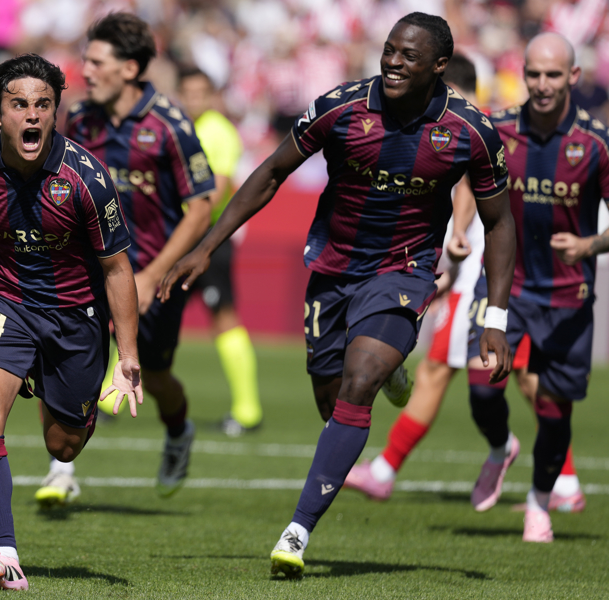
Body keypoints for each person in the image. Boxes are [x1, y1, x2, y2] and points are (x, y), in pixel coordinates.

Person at [160, 12, 515, 577]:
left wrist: (495, 316)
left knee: (359, 381)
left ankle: (296, 531)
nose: (393, 61)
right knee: (332, 401)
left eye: (409, 55)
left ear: (439, 66)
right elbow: (272, 172)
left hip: (404, 271)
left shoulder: (470, 130)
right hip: (333, 269)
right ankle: (389, 371)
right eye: (389, 49)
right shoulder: (341, 107)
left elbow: (499, 223)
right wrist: (207, 246)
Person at [0, 54, 144, 590]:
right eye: (19, 104)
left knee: (62, 446)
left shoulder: (86, 179)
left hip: (74, 318)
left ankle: (46, 380)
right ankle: (5, 555)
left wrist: (128, 355)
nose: (32, 114)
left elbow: (117, 269)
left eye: (43, 104)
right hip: (4, 304)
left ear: (55, 112)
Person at [343, 54, 587, 512]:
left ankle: (390, 469)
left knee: (445, 368)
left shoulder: (470, 127)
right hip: (494, 270)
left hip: (484, 271)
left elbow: (471, 190)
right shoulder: (495, 127)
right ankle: (565, 482)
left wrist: (456, 239)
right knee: (521, 377)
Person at [33, 12, 214, 507]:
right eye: (86, 61)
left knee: (153, 376)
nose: (86, 71)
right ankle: (60, 469)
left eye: (97, 62)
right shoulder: (79, 119)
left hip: (152, 274)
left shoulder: (170, 125)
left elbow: (201, 208)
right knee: (61, 359)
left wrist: (153, 274)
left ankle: (178, 430)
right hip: (87, 271)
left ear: (130, 68)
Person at [460, 32, 609, 542]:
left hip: (568, 296)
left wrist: (589, 245)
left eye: (553, 75)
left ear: (573, 77)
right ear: (522, 75)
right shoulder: (498, 129)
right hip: (506, 285)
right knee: (482, 387)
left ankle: (539, 502)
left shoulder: (595, 143)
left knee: (552, 410)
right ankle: (500, 447)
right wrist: (459, 230)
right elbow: (468, 181)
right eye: (534, 74)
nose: (542, 84)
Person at [177, 66, 263, 437]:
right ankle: (109, 398)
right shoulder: (176, 128)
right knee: (143, 311)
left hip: (209, 239)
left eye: (201, 93)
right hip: (178, 238)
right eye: (188, 93)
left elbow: (217, 192)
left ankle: (247, 409)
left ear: (211, 96)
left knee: (223, 318)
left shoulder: (219, 132)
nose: (194, 100)